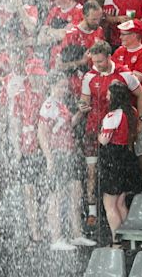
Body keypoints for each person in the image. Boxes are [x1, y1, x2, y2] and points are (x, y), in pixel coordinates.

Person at [79, 40, 142, 227]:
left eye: (100, 62)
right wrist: (83, 107)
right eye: (93, 62)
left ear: (109, 57)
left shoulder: (124, 73)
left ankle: (120, 231)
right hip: (94, 129)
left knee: (118, 182)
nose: (96, 66)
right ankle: (92, 211)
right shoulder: (89, 76)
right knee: (92, 171)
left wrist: (139, 120)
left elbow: (140, 94)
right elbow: (83, 101)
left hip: (118, 133)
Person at [38, 74, 96, 251]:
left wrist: (81, 112)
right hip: (57, 154)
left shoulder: (61, 104)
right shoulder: (48, 106)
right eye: (61, 87)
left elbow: (69, 124)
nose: (64, 90)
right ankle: (56, 238)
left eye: (65, 87)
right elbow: (41, 134)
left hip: (69, 153)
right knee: (55, 197)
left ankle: (76, 234)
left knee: (75, 193)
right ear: (52, 85)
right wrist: (49, 159)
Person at [112, 19, 142, 192]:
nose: (121, 37)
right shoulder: (119, 52)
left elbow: (135, 80)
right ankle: (128, 182)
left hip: (141, 108)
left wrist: (121, 75)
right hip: (121, 109)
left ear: (135, 35)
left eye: (125, 34)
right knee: (124, 144)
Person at [98, 81, 142, 244]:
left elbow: (104, 140)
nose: (107, 96)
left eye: (109, 94)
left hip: (113, 159)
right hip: (128, 156)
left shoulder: (112, 116)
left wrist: (98, 135)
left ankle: (117, 242)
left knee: (110, 205)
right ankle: (130, 240)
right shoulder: (133, 111)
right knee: (121, 202)